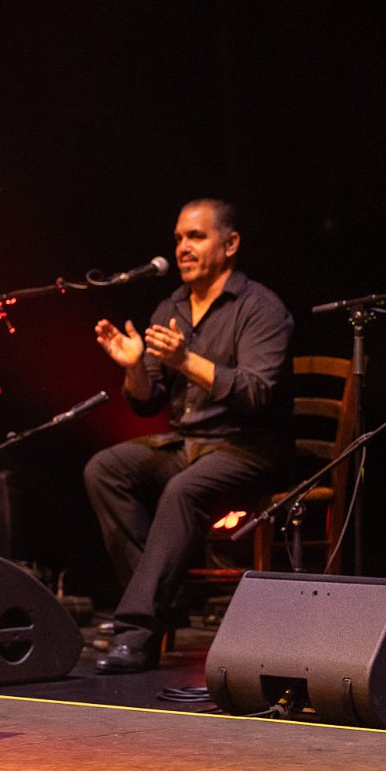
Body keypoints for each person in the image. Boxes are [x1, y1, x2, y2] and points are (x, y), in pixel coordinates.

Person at [85, 198, 292, 673]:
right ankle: (163, 601)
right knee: (105, 469)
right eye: (179, 238)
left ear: (230, 243)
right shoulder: (171, 306)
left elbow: (258, 393)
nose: (182, 247)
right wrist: (134, 366)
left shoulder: (261, 308)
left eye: (196, 236)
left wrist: (185, 360)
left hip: (247, 447)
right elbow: (148, 402)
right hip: (187, 445)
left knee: (183, 490)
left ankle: (138, 630)